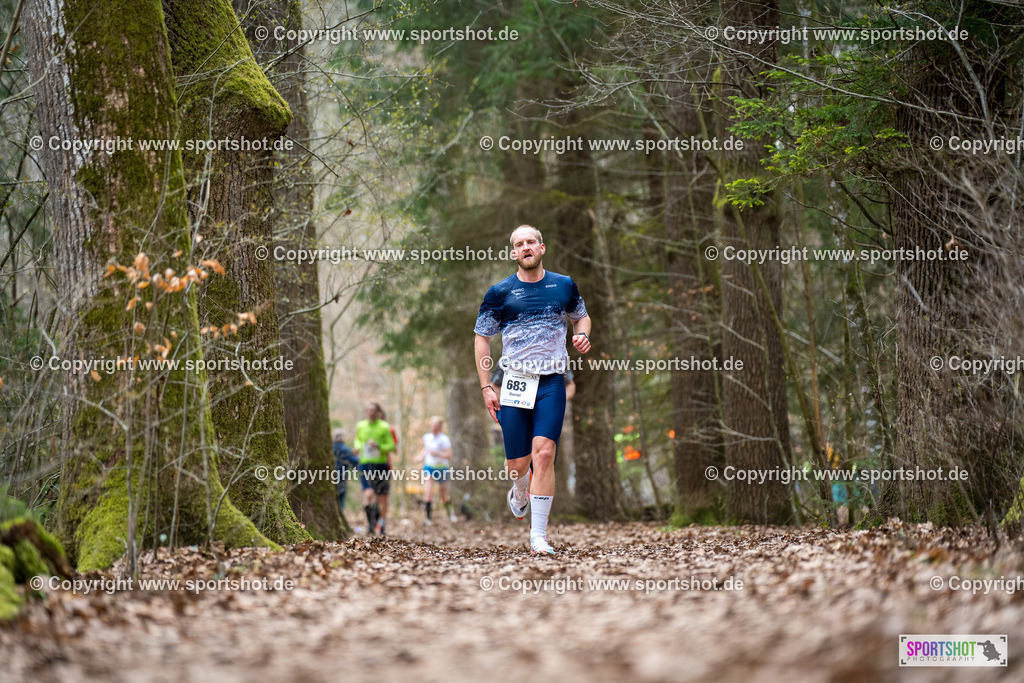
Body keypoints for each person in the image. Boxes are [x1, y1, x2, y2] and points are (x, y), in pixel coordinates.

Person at [474, 224, 591, 554]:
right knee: (518, 465)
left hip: (552, 380)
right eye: (519, 244)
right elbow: (482, 338)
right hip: (515, 381)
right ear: (514, 253)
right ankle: (519, 489)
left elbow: (581, 317)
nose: (526, 247)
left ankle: (538, 536)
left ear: (542, 249)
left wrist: (582, 334)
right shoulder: (500, 293)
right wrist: (486, 386)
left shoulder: (563, 285)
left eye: (531, 242)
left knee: (544, 453)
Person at [353, 401, 395, 536]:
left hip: (381, 465)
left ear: (378, 413)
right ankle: (371, 523)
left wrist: (379, 446)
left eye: (373, 410)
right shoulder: (361, 426)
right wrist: (358, 447)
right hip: (365, 464)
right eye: (368, 410)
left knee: (381, 498)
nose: (371, 413)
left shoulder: (385, 427)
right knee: (368, 494)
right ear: (366, 412)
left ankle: (381, 524)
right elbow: (358, 440)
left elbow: (392, 446)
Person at [414, 416, 455, 523]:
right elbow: (426, 449)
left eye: (436, 426)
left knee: (443, 495)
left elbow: (449, 455)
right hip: (429, 467)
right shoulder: (427, 437)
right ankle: (428, 518)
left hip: (442, 468)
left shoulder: (444, 439)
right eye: (432, 426)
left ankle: (450, 514)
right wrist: (419, 457)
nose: (434, 428)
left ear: (440, 427)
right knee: (428, 493)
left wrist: (438, 454)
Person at [332, 428, 359, 513]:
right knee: (341, 499)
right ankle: (340, 515)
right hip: (341, 478)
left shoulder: (329, 448)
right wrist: (356, 455)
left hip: (326, 476)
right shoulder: (345, 450)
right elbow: (355, 462)